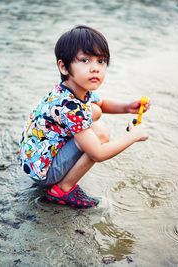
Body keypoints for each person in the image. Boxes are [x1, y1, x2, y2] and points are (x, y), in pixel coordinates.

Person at [18, 25, 149, 209]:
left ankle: (63, 179)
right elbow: (98, 154)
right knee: (100, 135)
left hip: (37, 158)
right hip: (44, 172)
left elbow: (101, 104)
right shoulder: (69, 106)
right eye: (85, 60)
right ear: (63, 66)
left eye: (101, 61)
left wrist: (128, 107)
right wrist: (133, 136)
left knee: (95, 110)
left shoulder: (72, 89)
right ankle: (62, 189)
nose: (95, 68)